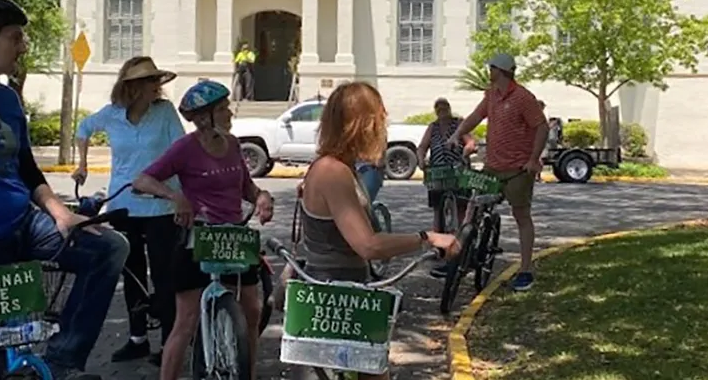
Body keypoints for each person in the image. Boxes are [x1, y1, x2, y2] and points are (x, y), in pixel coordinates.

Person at [0, 0, 130, 380]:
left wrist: (62, 213)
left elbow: (27, 170)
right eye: (15, 38)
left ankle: (62, 360)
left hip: (22, 229)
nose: (23, 47)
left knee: (109, 247)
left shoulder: (7, 101)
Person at [296, 82, 460, 377]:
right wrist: (426, 238)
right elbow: (368, 245)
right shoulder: (333, 172)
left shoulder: (337, 167)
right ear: (362, 125)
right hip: (336, 298)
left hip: (341, 289)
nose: (383, 129)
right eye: (379, 121)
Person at [132, 80, 274, 380]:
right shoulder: (185, 148)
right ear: (202, 117)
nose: (229, 114)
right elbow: (142, 180)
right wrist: (176, 197)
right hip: (199, 236)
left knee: (251, 311)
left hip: (234, 236)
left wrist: (261, 197)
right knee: (186, 320)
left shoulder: (234, 144)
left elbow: (246, 186)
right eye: (222, 110)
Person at [72, 56, 183, 365]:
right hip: (123, 205)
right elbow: (83, 129)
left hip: (161, 204)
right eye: (150, 82)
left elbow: (179, 151)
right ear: (132, 87)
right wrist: (81, 164)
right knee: (132, 275)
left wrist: (179, 195)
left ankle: (169, 343)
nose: (156, 88)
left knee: (165, 275)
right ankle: (138, 339)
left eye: (156, 82)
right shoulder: (112, 115)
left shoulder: (164, 113)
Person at [446, 53, 547, 292]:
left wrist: (533, 160)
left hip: (518, 169)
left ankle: (525, 270)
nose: (488, 73)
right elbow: (475, 117)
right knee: (473, 208)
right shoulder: (491, 95)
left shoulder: (523, 97)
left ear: (499, 71)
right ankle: (460, 255)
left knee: (521, 215)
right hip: (492, 166)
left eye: (491, 68)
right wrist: (456, 134)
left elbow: (541, 127)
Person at [415, 98, 476, 238]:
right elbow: (422, 146)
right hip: (437, 170)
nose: (441, 111)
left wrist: (467, 151)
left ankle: (462, 237)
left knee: (461, 205)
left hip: (457, 167)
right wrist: (421, 160)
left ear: (449, 108)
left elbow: (470, 142)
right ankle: (438, 239)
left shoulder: (458, 124)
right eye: (438, 108)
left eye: (444, 107)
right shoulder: (433, 127)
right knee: (437, 208)